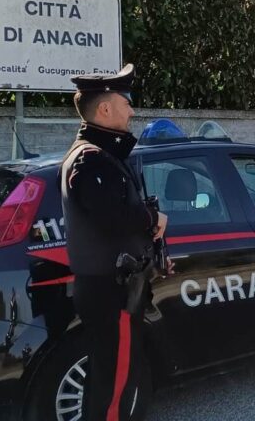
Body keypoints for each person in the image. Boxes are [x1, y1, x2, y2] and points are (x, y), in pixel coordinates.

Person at [60, 64, 168, 421]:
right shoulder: (91, 160)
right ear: (105, 109)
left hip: (116, 290)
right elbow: (111, 218)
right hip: (111, 292)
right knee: (115, 390)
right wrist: (153, 220)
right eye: (127, 100)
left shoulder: (100, 155)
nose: (133, 110)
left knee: (115, 379)